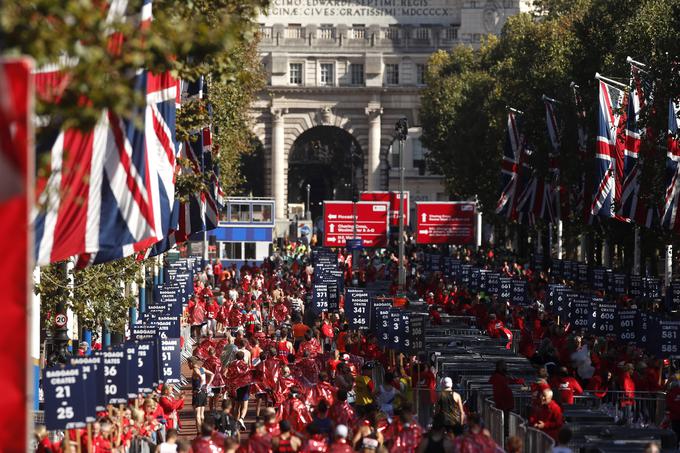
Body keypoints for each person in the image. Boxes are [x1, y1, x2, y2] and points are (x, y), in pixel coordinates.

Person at [190, 357, 215, 432]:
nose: (188, 365)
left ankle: (199, 433)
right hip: (204, 392)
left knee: (197, 415)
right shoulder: (202, 369)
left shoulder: (195, 369)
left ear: (191, 363)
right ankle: (203, 431)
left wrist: (198, 388)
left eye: (188, 363)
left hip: (197, 393)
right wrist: (207, 385)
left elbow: (202, 378)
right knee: (202, 415)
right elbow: (212, 374)